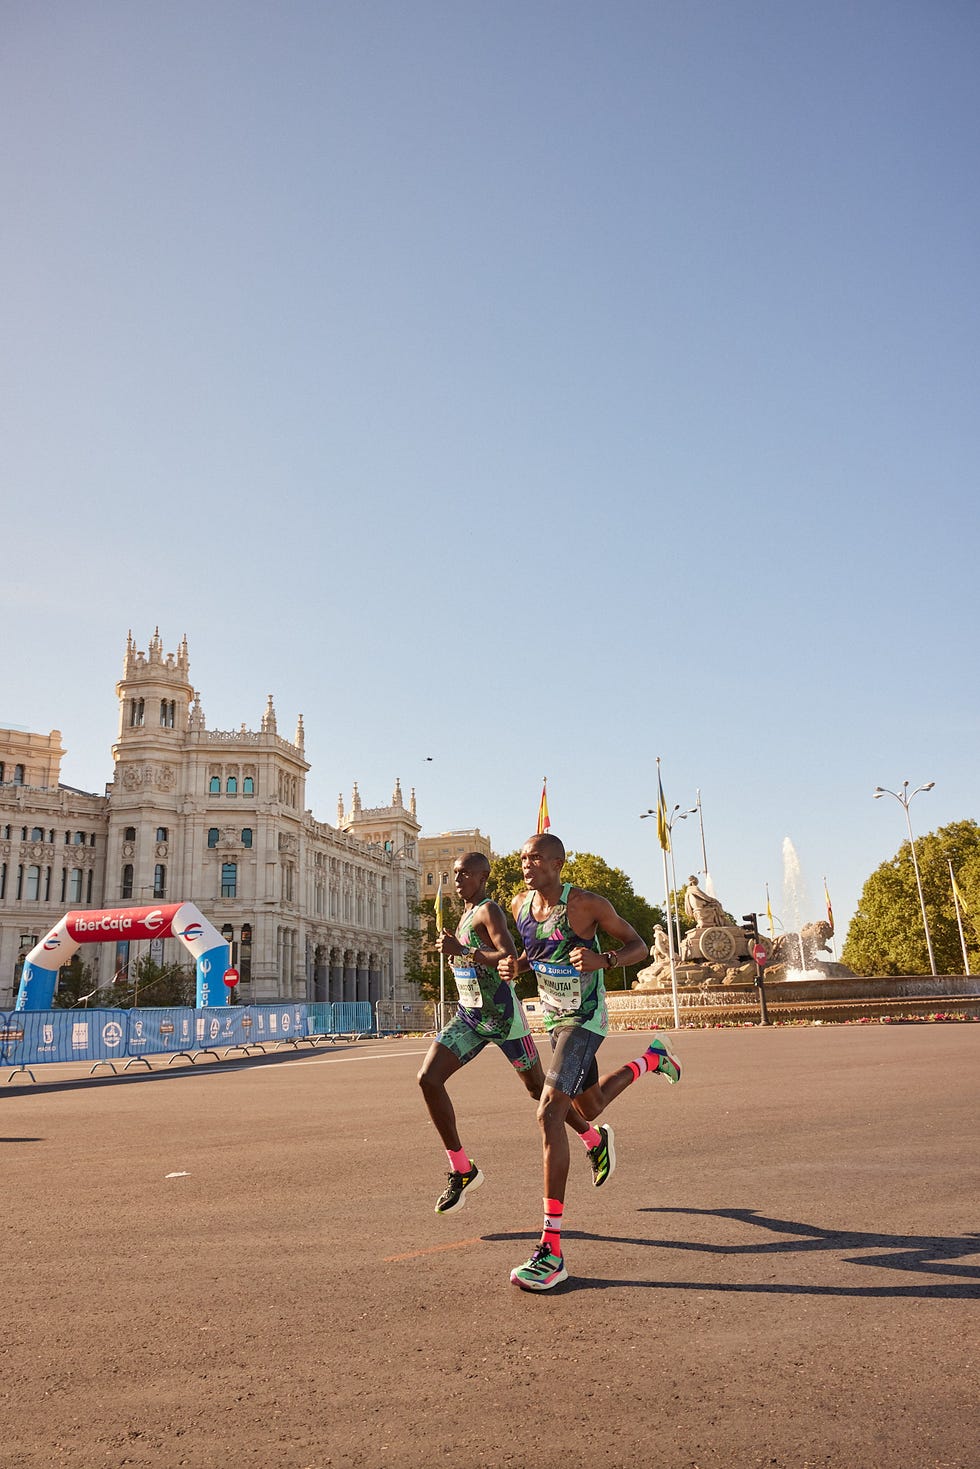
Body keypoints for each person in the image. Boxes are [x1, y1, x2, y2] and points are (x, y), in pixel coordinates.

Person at [499, 832, 682, 1291]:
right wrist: (517, 966)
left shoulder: (586, 905)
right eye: (523, 857)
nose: (527, 864)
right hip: (555, 1020)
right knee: (588, 1108)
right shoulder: (520, 904)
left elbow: (640, 947)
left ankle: (551, 1251)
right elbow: (534, 953)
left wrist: (604, 958)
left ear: (558, 864)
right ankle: (651, 1060)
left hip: (586, 1018)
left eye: (536, 857)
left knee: (549, 1114)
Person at [418, 851, 603, 1216]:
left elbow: (508, 954)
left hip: (504, 1020)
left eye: (465, 874)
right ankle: (462, 1169)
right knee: (428, 1079)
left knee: (539, 1091)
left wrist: (463, 951)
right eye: (455, 874)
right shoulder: (465, 915)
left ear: (483, 877)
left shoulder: (489, 910)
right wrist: (456, 952)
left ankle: (592, 1139)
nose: (457, 880)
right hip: (470, 1017)